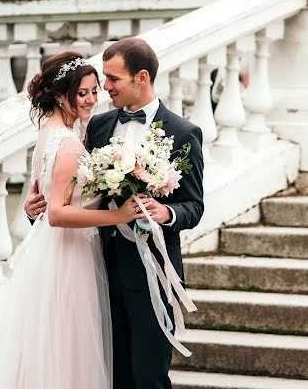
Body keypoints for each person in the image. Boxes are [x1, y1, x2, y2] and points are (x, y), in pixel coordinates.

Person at [26, 37, 205, 389]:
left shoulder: (184, 133)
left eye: (112, 79)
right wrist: (38, 210)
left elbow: (194, 207)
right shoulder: (96, 127)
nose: (104, 89)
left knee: (149, 376)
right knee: (110, 374)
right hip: (98, 270)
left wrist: (164, 211)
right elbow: (76, 194)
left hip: (152, 273)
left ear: (142, 77)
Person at [0, 50, 147, 389]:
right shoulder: (67, 143)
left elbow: (47, 195)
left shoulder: (50, 134)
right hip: (69, 254)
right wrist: (117, 215)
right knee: (69, 345)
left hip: (53, 251)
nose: (92, 99)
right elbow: (57, 212)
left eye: (95, 91)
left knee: (47, 344)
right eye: (82, 93)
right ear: (58, 94)